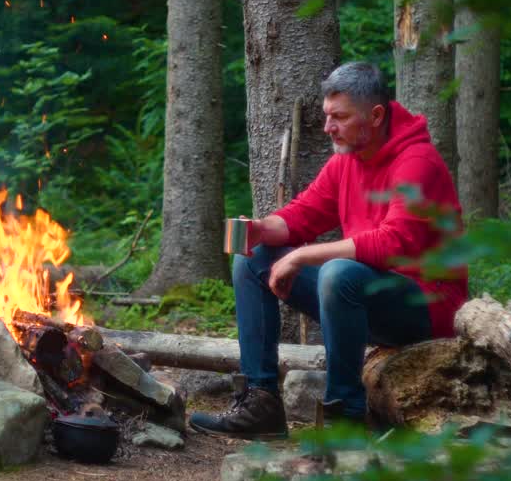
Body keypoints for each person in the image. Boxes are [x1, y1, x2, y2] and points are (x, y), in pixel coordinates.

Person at [189, 62, 466, 439]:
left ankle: (345, 417)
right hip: (367, 295)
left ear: (376, 115)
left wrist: (301, 256)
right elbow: (304, 214)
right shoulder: (346, 160)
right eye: (326, 115)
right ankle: (261, 403)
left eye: (340, 117)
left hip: (425, 307)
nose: (327, 127)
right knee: (251, 259)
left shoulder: (416, 162)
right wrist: (259, 230)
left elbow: (394, 243)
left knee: (338, 273)